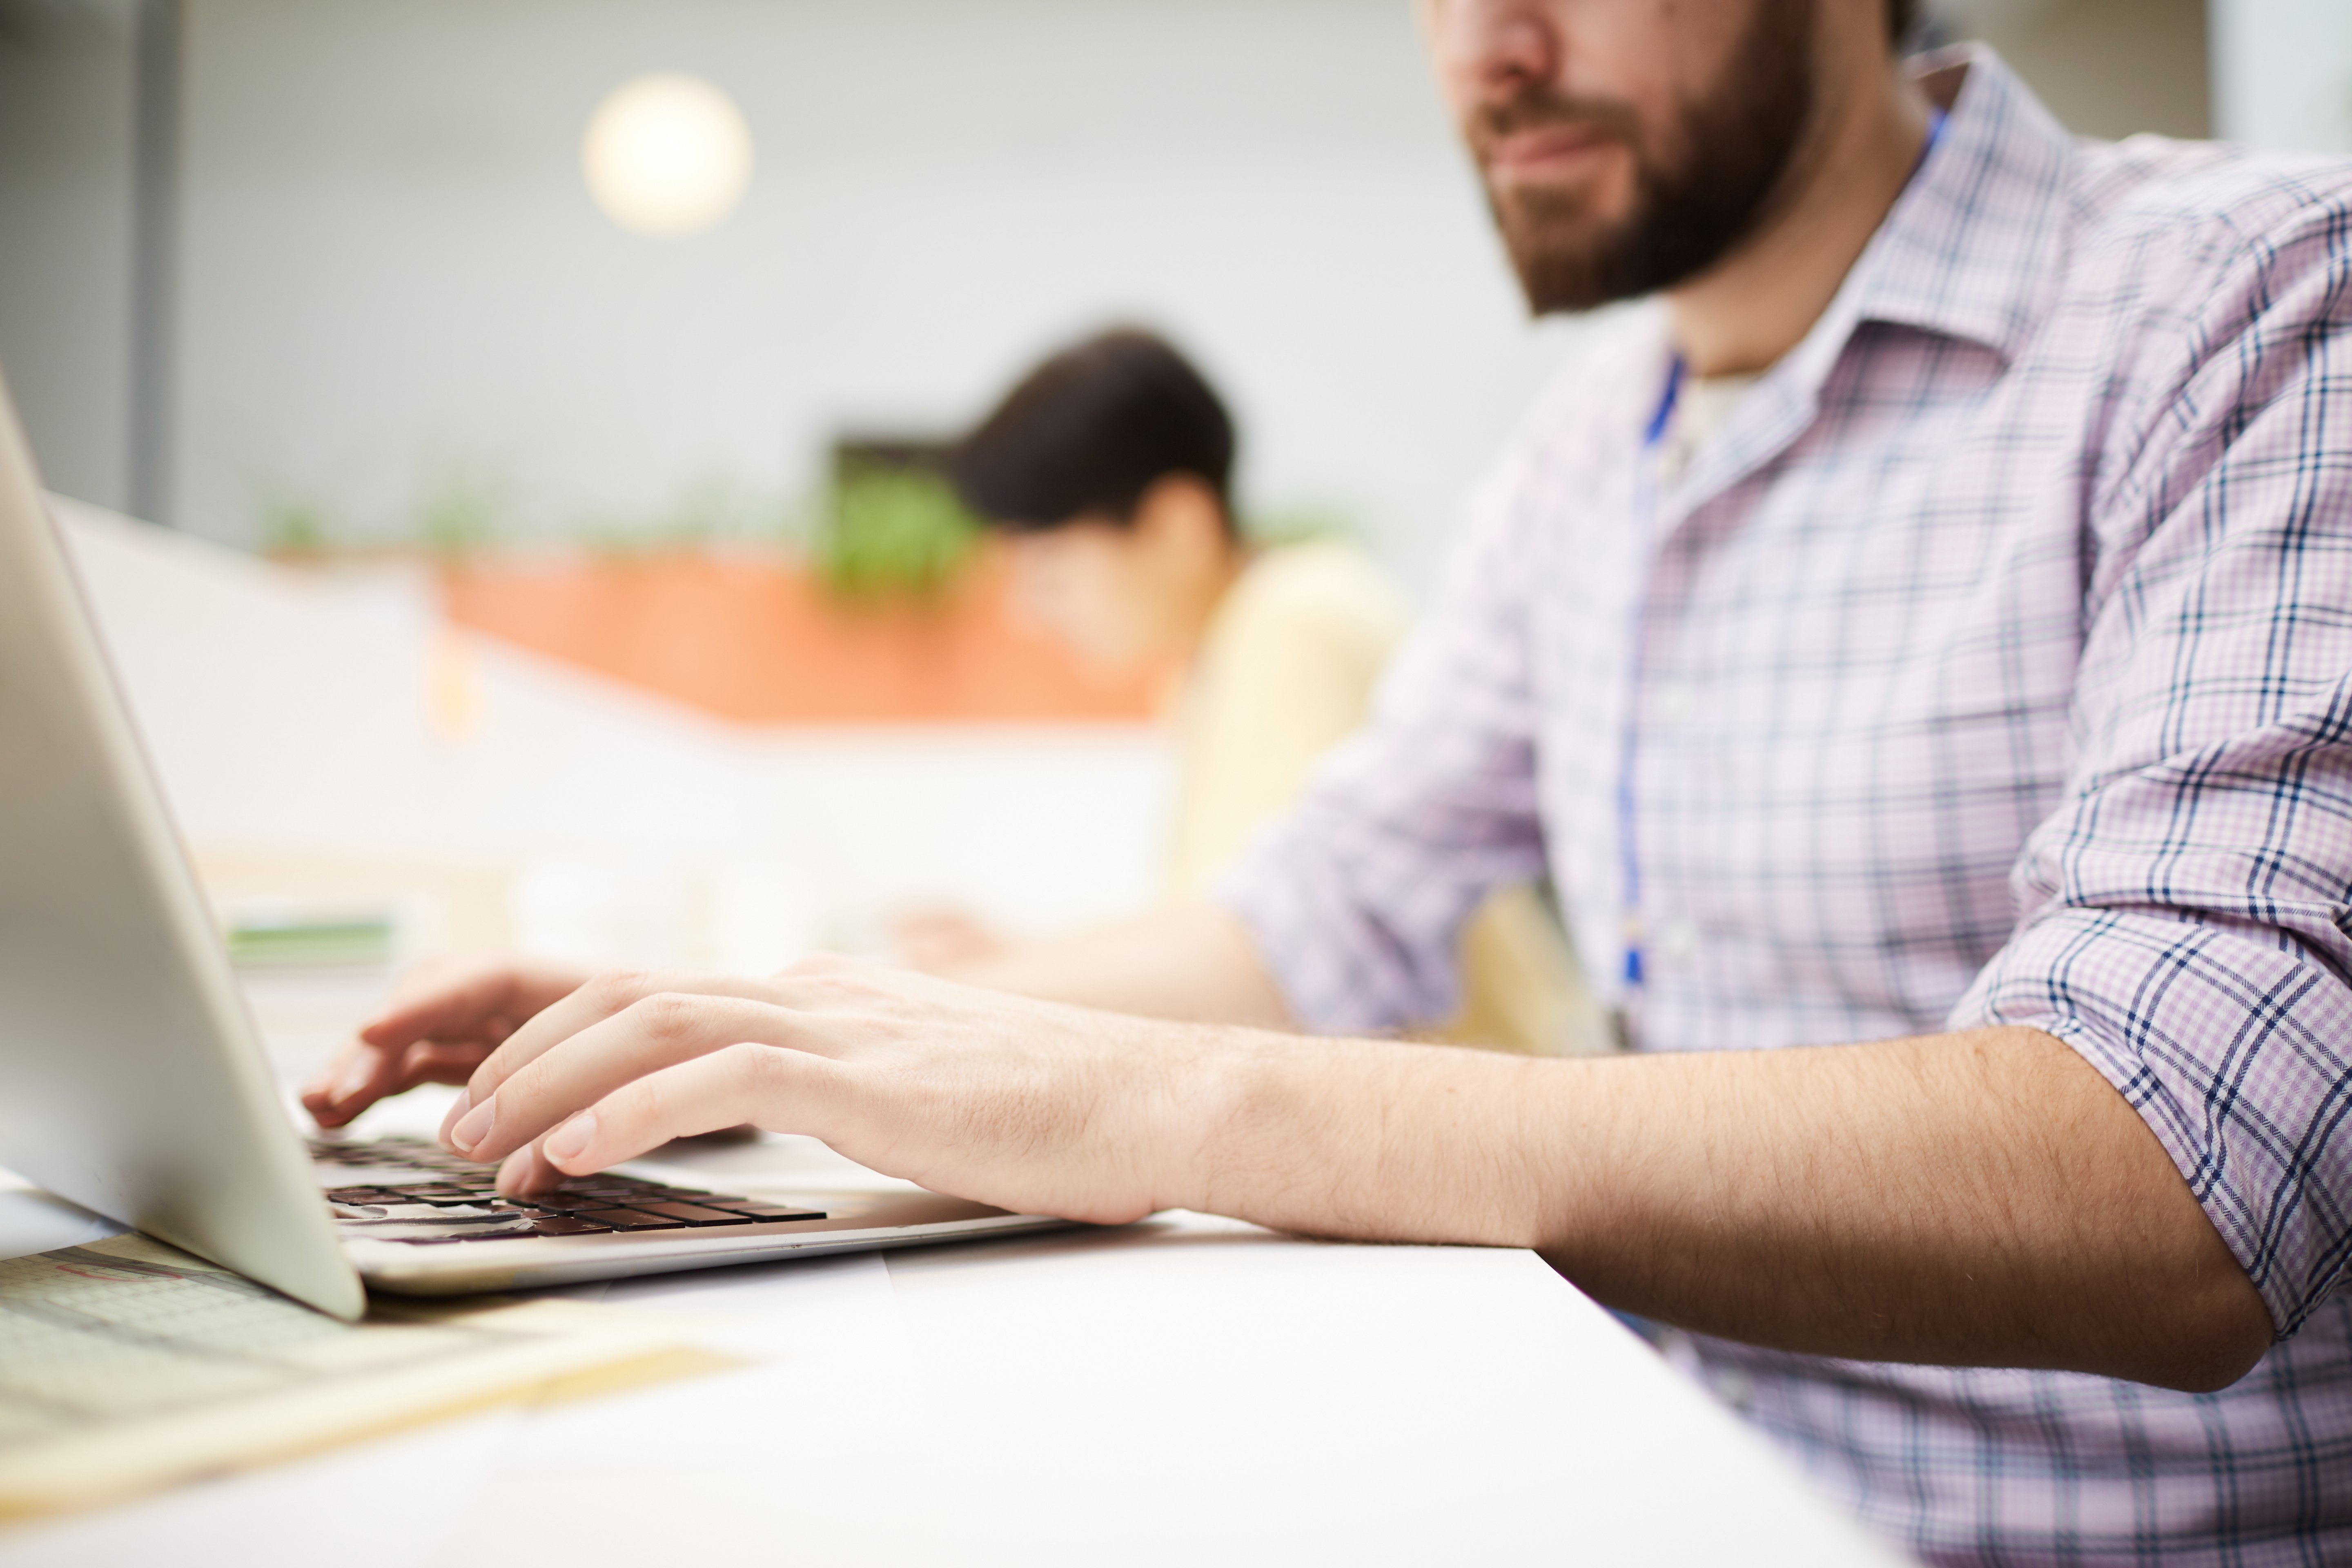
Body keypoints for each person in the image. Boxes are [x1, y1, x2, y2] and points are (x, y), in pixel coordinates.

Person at [305, 1, 2352, 1561]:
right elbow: (1313, 910)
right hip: (1658, 1476)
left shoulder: (2251, 301)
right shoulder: (1586, 453)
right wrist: (791, 1038)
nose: (1490, 51)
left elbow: (2178, 1182)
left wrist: (1163, 1107)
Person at [897, 325, 1594, 1057]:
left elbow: (1270, 969)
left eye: (1050, 570)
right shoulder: (1224, 654)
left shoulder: (1297, 620)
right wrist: (1028, 958)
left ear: (1176, 523)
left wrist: (973, 997)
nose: (1029, 612)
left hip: (1469, 1118)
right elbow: (1227, 928)